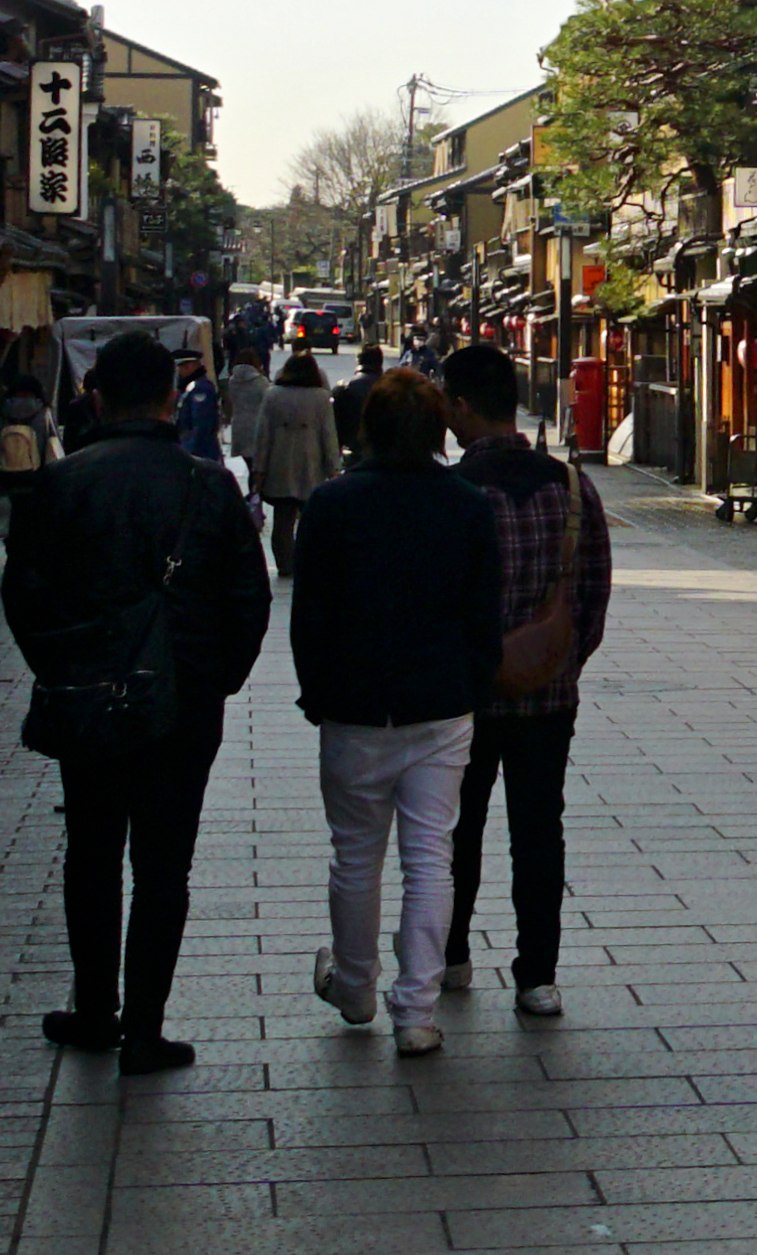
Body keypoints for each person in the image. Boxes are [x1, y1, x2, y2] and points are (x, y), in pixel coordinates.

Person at [0, 333, 266, 1079]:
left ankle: (94, 1010)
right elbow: (249, 598)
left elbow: (23, 594)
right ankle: (145, 1030)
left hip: (86, 698)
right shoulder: (207, 485)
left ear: (94, 396)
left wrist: (62, 666)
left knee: (91, 854)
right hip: (181, 701)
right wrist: (213, 678)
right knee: (162, 867)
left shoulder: (60, 483)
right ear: (172, 399)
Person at [289, 366, 491, 1055]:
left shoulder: (332, 504)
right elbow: (483, 615)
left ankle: (353, 987)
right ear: (437, 431)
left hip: (352, 703)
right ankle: (416, 1013)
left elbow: (307, 614)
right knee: (431, 857)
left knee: (355, 855)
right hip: (440, 705)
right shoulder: (466, 505)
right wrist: (474, 683)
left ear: (367, 429)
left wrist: (315, 690)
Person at [435, 345, 613, 1012]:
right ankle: (537, 973)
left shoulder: (451, 493)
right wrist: (559, 665)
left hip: (464, 697)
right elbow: (592, 591)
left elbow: (436, 601)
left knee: (457, 829)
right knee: (540, 830)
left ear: (460, 405)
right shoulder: (570, 486)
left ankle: (452, 956)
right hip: (548, 697)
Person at [249, 348, 341, 578]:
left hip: (280, 465)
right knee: (311, 519)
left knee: (282, 519)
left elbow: (262, 436)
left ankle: (284, 564)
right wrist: (334, 469)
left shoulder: (273, 395)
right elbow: (329, 436)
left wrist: (259, 469)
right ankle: (308, 561)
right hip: (311, 465)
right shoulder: (320, 398)